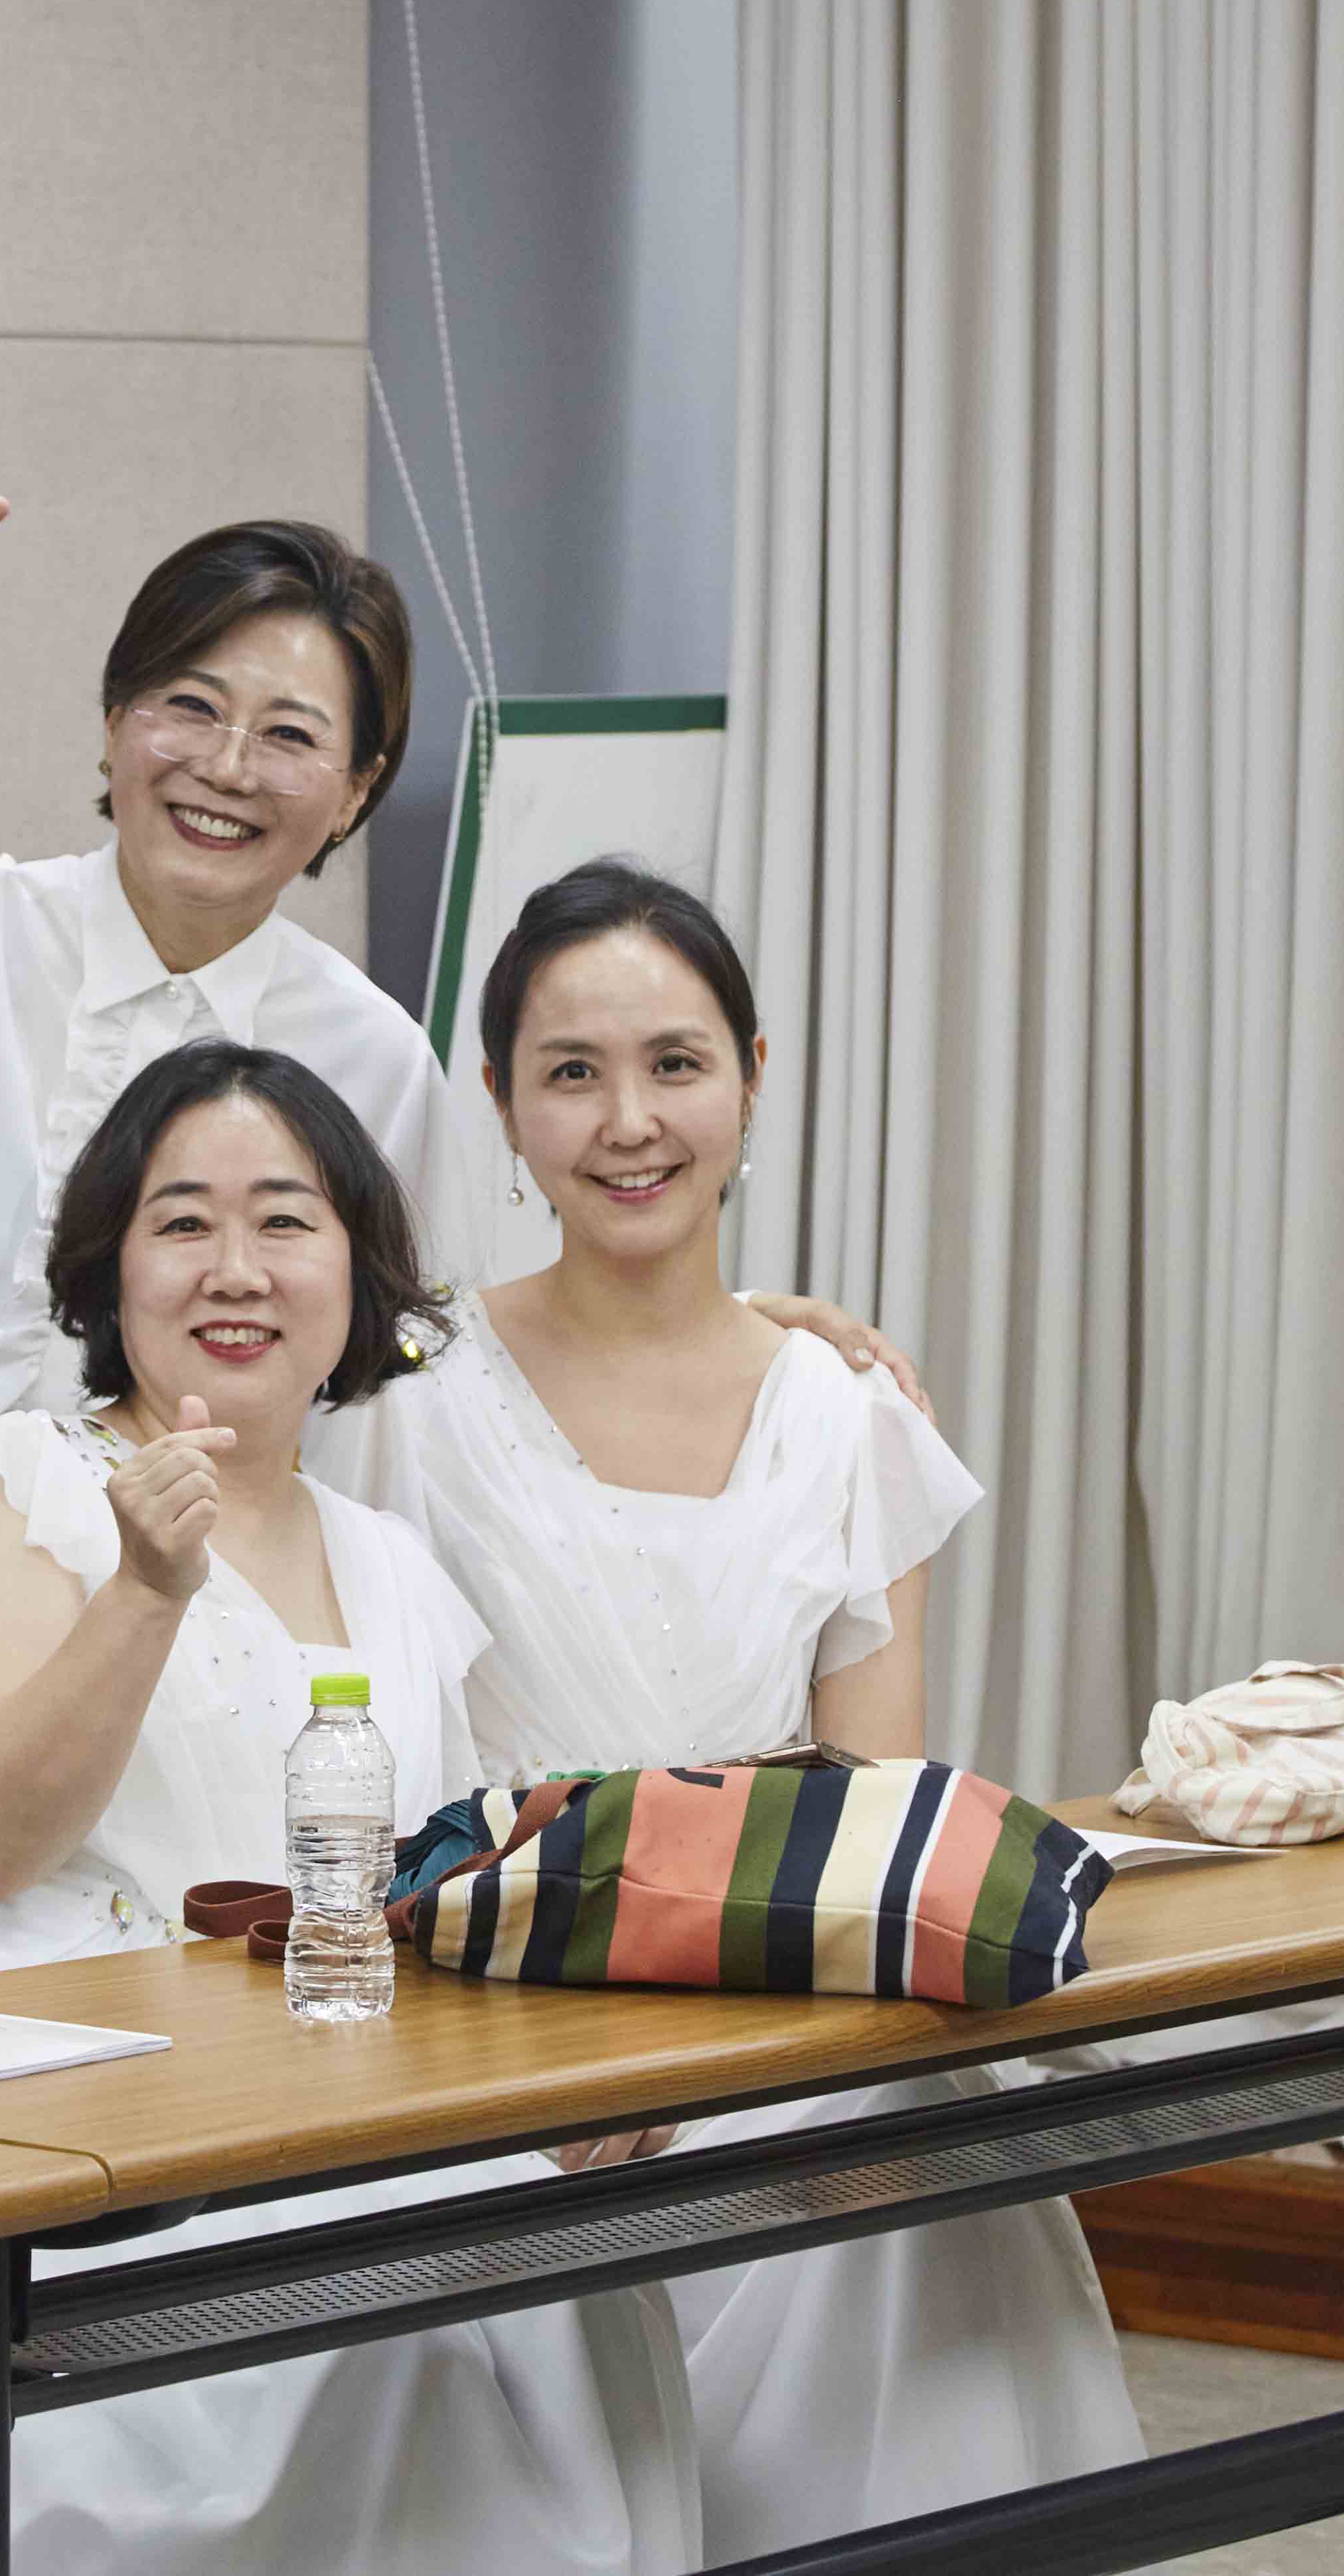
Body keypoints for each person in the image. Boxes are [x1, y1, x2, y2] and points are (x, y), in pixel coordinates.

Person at [0, 478, 919, 1786]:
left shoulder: (368, 1055)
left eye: (293, 736)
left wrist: (710, 1327)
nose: (227, 768)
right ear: (114, 723)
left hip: (187, 1591)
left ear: (358, 789)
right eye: (189, 707)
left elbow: (424, 1354)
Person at [317, 858, 1149, 2561]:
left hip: (782, 2006)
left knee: (915, 2143)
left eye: (677, 1063)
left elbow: (874, 1815)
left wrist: (715, 2034)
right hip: (506, 2014)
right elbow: (374, 1785)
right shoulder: (402, 1401)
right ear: (504, 1106)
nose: (630, 1121)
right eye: (572, 1071)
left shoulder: (847, 1415)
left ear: (753, 1079)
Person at [0, 1040, 705, 2576]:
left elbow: (429, 1899)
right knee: (428, 2322)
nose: (236, 1268)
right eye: (183, 1222)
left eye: (286, 1220)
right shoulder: (1, 1481)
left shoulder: (391, 1562)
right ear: (110, 1267)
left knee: (565, 2268)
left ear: (357, 1271)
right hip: (42, 2165)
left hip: (306, 2119)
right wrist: (146, 1591)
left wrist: (576, 2064)